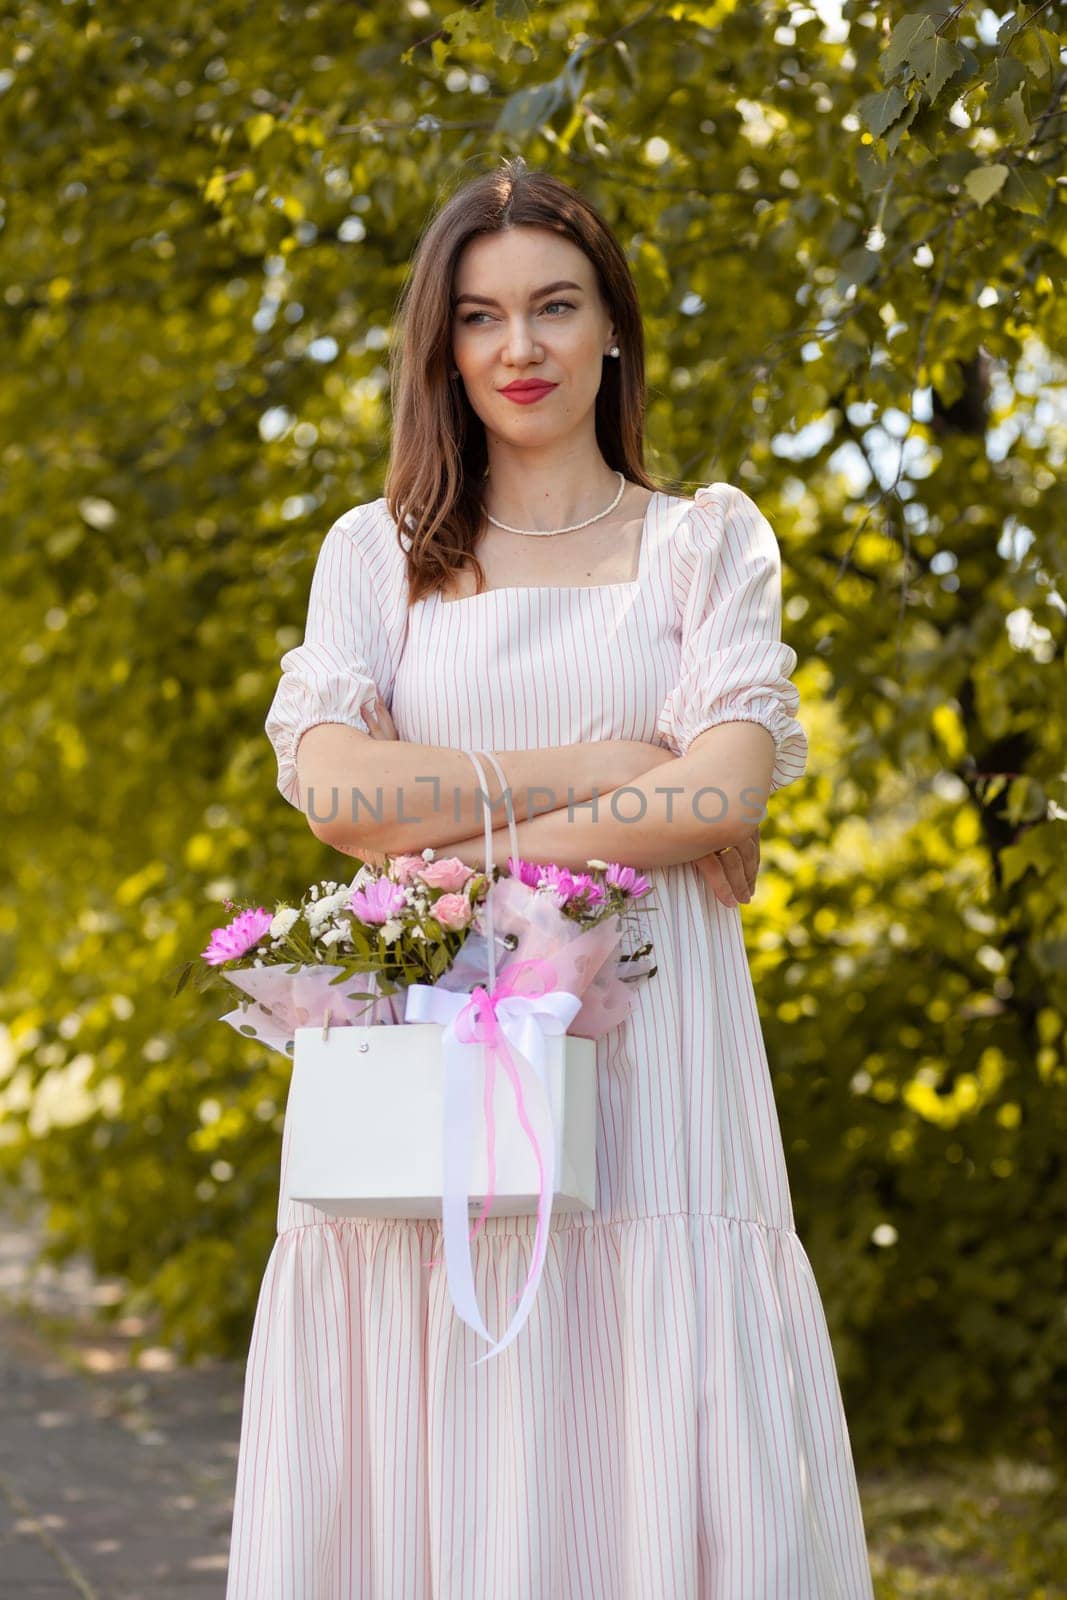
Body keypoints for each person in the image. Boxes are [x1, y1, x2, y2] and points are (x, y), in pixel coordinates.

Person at [225, 158, 875, 1599]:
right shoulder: (376, 557)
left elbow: (726, 788)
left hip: (665, 1068)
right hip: (436, 1064)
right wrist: (597, 766)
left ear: (612, 330)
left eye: (555, 307)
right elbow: (334, 791)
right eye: (480, 317)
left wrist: (444, 841)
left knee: (645, 1353)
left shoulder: (704, 541)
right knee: (441, 1351)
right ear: (441, 348)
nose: (519, 348)